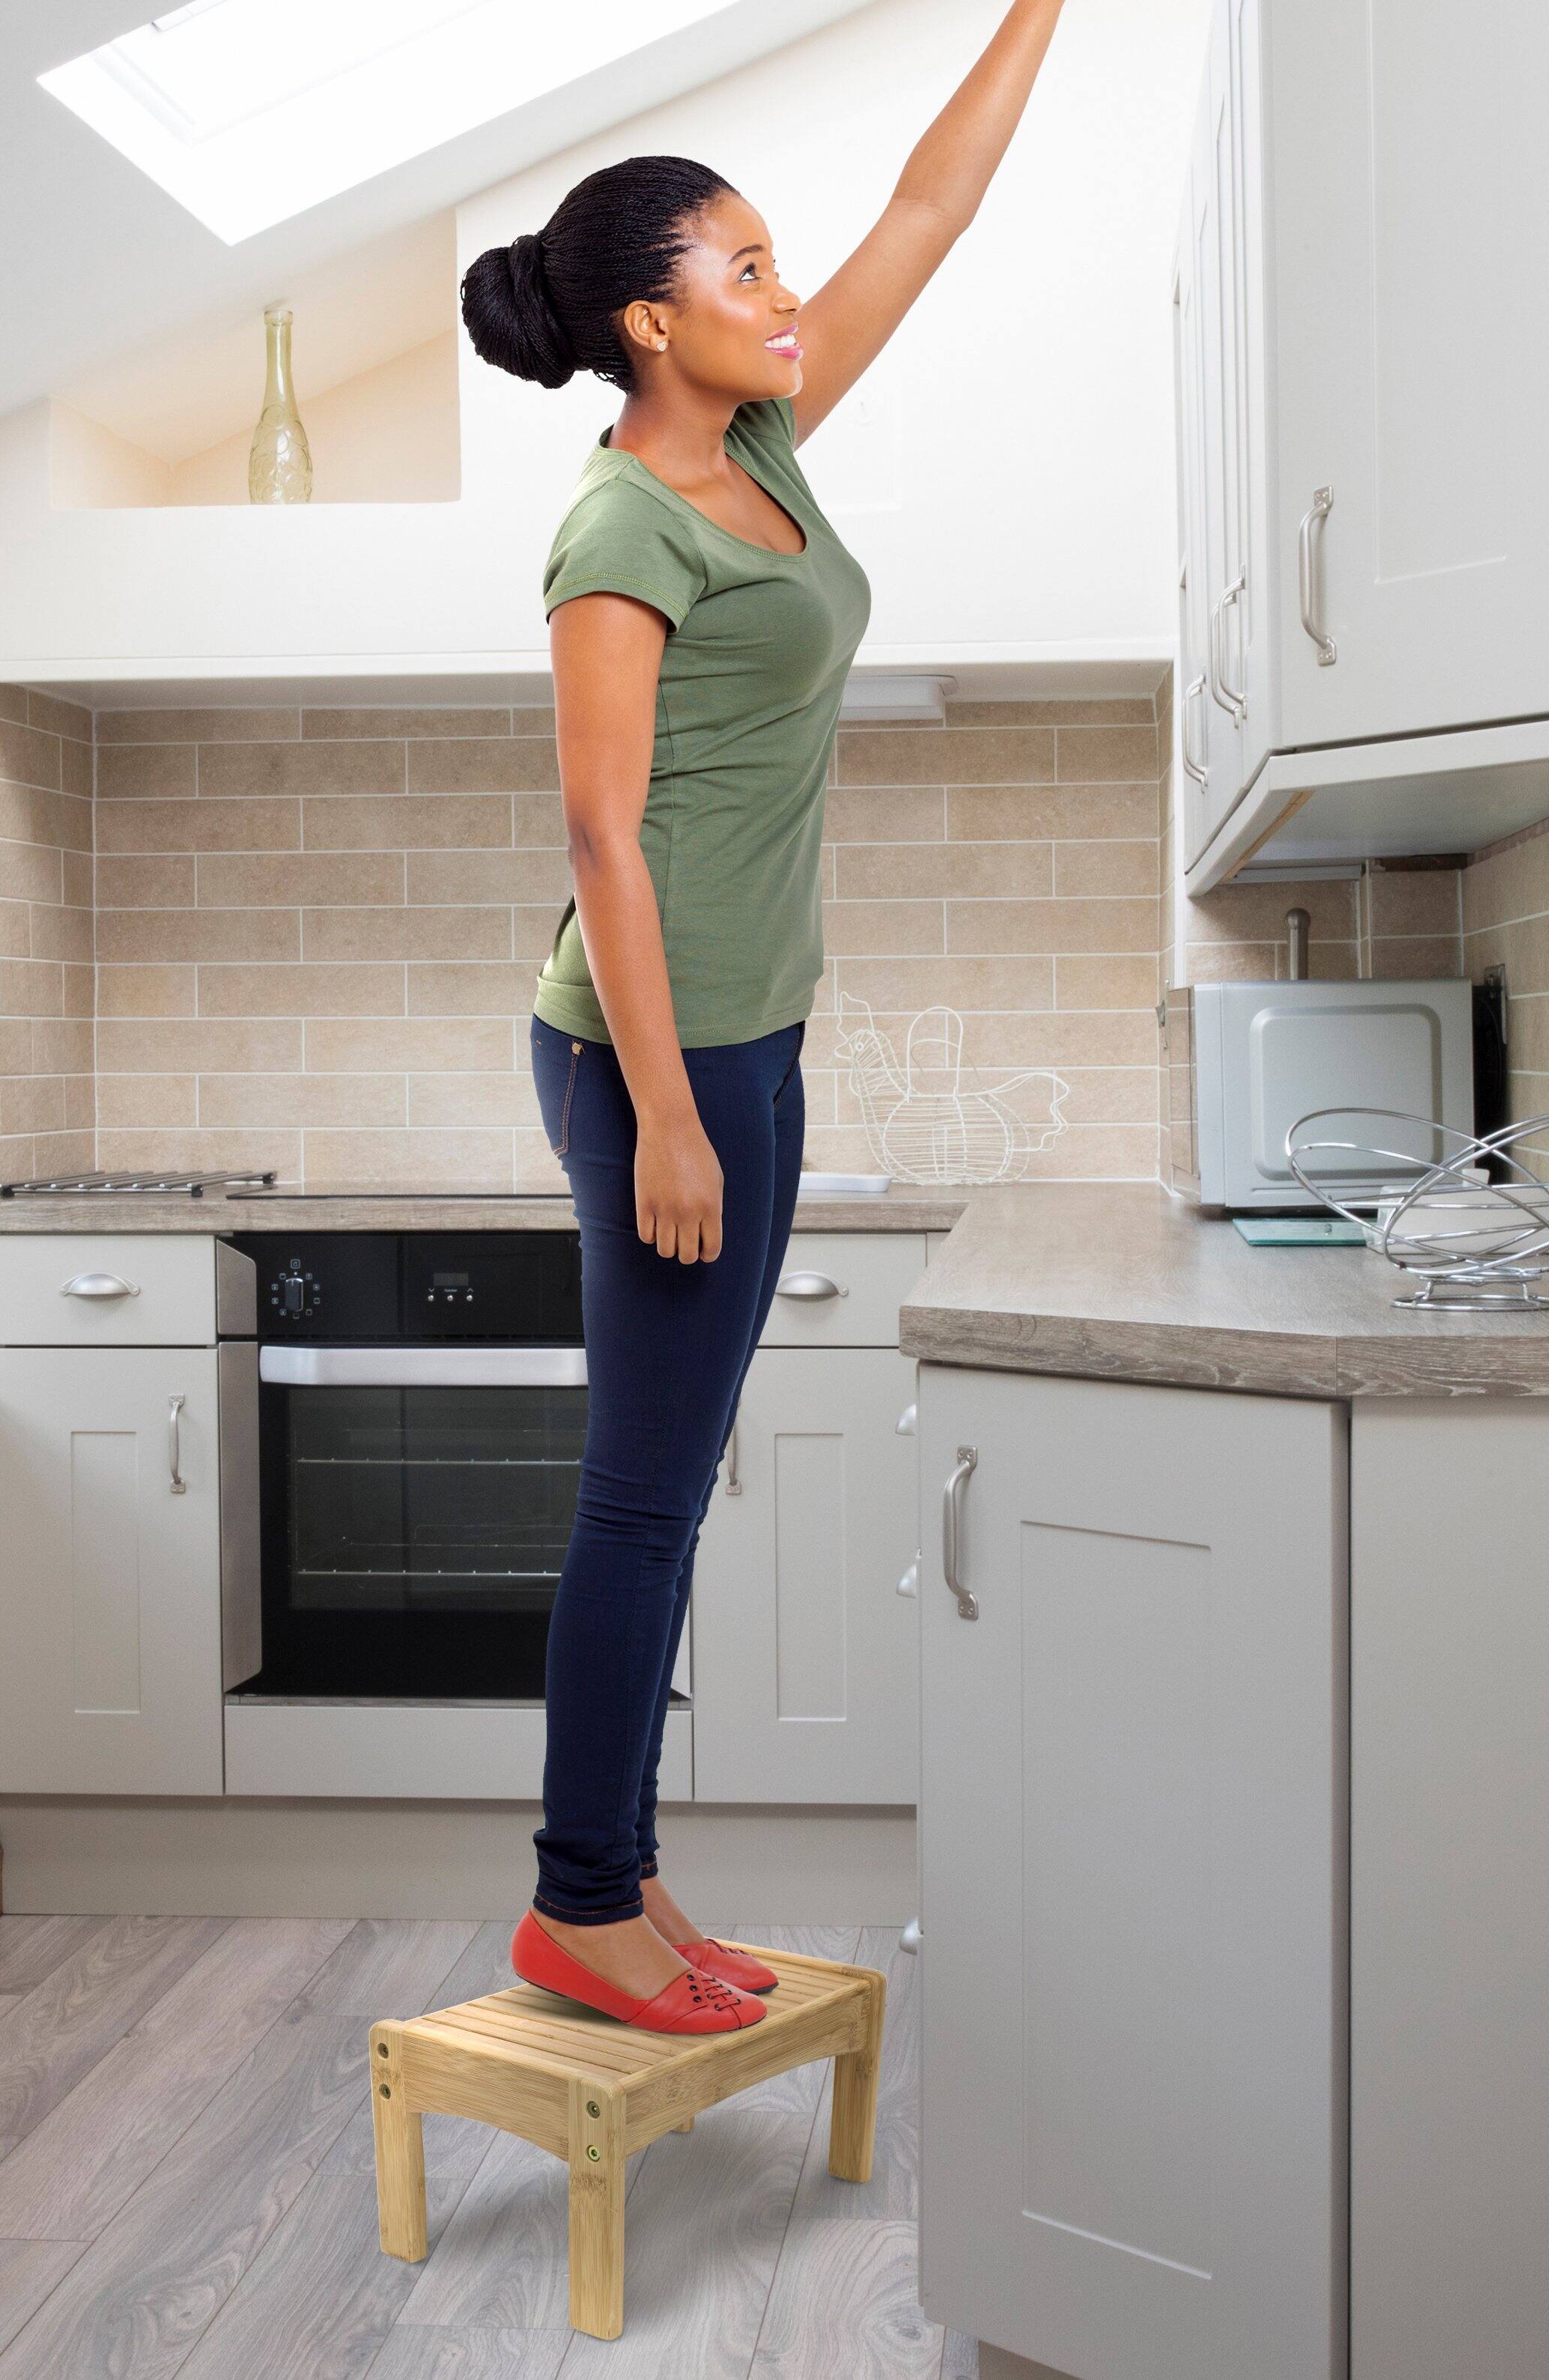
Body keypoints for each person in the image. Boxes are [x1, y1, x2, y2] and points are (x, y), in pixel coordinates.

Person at [460, 0, 1069, 2035]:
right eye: (737, 269)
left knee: (675, 1459)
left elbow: (929, 203)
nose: (782, 290)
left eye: (767, 259)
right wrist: (668, 1118)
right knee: (641, 1482)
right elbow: (600, 837)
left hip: (744, 1034)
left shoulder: (762, 454)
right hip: (652, 1051)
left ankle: (623, 1877)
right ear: (646, 324)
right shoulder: (614, 529)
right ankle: (576, 1900)